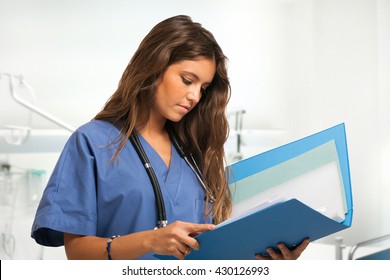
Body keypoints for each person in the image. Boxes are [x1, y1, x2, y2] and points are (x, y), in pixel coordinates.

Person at [31, 15, 309, 260]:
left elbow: (213, 252)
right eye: (187, 80)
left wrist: (264, 259)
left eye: (204, 87)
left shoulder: (195, 153)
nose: (195, 96)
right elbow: (77, 254)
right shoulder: (93, 143)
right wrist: (150, 240)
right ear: (154, 67)